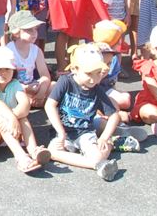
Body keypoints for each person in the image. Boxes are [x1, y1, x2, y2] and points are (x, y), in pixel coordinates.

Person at [45, 44, 128, 181]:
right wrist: (60, 132)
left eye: (97, 74)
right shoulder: (65, 81)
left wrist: (104, 138)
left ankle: (108, 148)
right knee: (52, 151)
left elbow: (114, 115)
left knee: (97, 154)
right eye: (88, 74)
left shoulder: (96, 89)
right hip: (64, 131)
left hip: (85, 132)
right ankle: (99, 164)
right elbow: (50, 105)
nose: (93, 79)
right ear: (74, 69)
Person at [0, 46, 52, 173]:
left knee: (23, 116)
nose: (3, 73)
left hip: (11, 128)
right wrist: (11, 118)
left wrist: (14, 117)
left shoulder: (15, 83)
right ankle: (21, 157)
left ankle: (34, 150)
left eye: (7, 69)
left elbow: (25, 104)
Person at [4, 11, 52, 107]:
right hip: (15, 87)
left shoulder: (36, 50)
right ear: (16, 32)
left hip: (31, 85)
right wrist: (24, 88)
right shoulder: (9, 50)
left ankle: (35, 101)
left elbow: (45, 75)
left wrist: (41, 90)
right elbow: (6, 79)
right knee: (16, 93)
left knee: (54, 85)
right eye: (29, 30)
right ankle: (33, 102)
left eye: (35, 29)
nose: (34, 33)